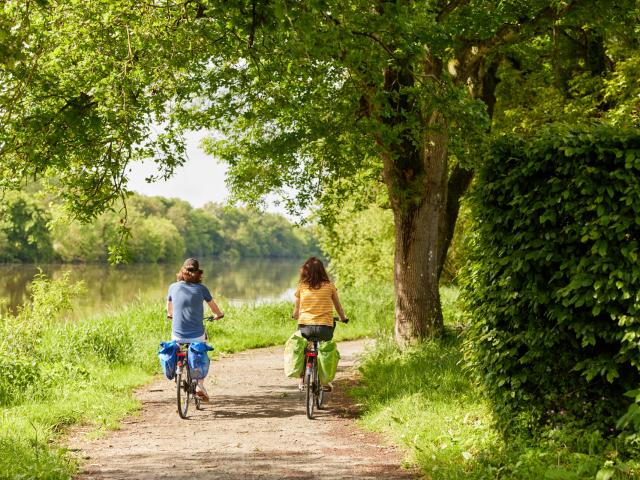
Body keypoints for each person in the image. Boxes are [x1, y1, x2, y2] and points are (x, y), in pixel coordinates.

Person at [166, 258, 224, 402]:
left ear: (182, 271)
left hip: (177, 334)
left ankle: (177, 369)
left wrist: (171, 315)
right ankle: (199, 385)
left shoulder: (173, 287)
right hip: (197, 334)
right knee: (201, 350)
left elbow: (169, 311)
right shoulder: (201, 289)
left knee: (176, 343)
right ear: (199, 273)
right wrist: (218, 315)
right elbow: (215, 309)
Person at [291, 257, 347, 391]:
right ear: (322, 271)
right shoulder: (330, 286)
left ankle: (302, 379)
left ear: (305, 272)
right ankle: (325, 381)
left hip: (306, 328)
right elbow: (338, 307)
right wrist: (343, 318)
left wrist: (295, 316)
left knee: (305, 348)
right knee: (324, 350)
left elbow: (296, 310)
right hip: (324, 329)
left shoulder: (301, 287)